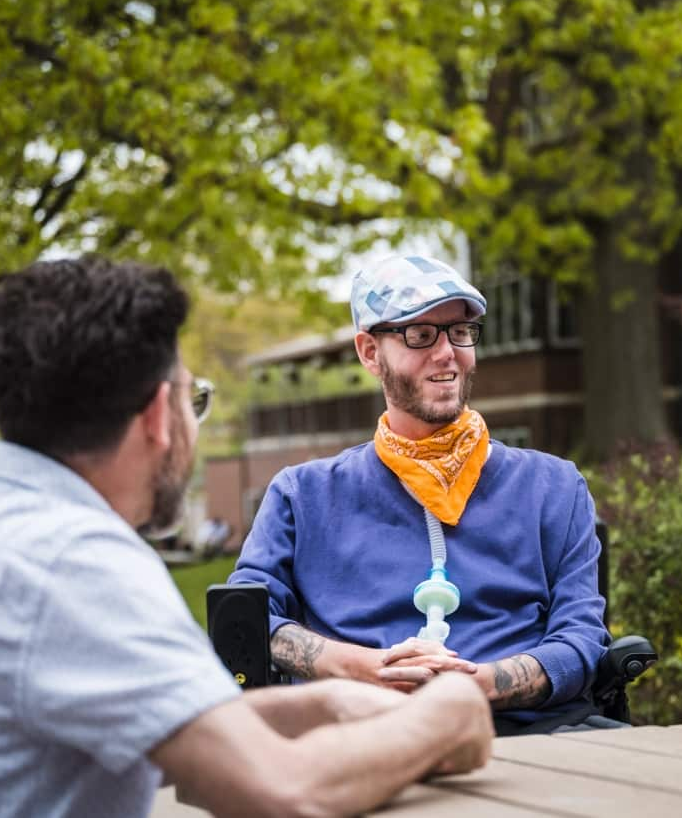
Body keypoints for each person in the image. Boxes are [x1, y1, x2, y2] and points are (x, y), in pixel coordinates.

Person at [0, 257, 492, 818]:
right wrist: (447, 712)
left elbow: (179, 719)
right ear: (160, 414)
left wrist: (327, 701)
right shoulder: (74, 564)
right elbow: (284, 790)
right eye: (194, 398)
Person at [229, 254, 611, 735]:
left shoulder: (554, 487)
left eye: (460, 330)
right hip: (360, 739)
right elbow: (243, 619)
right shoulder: (302, 495)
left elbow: (582, 639)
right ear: (370, 352)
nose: (447, 351)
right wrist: (365, 669)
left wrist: (478, 685)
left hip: (534, 738)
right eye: (420, 334)